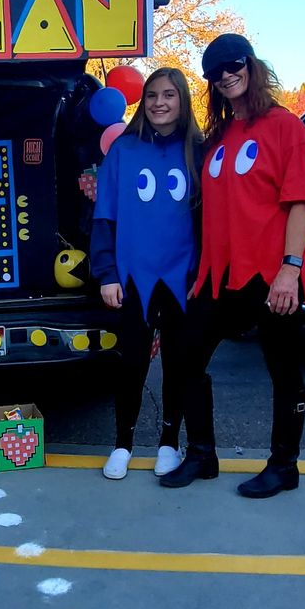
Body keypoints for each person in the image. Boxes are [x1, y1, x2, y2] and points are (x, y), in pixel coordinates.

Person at [159, 33, 305, 498]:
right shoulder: (219, 138)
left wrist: (289, 270)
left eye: (233, 65)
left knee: (283, 370)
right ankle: (202, 454)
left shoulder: (285, 126)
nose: (226, 76)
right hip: (221, 274)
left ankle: (284, 465)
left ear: (250, 66)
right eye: (215, 72)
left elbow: (300, 202)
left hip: (272, 274)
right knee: (186, 354)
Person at [91, 68, 203, 479]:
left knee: (178, 362)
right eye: (152, 94)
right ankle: (122, 443)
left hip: (183, 275)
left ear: (182, 100)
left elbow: (209, 218)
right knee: (131, 362)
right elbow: (104, 214)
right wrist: (106, 273)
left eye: (169, 95)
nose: (159, 102)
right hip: (132, 275)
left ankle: (169, 443)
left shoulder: (197, 149)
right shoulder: (124, 149)